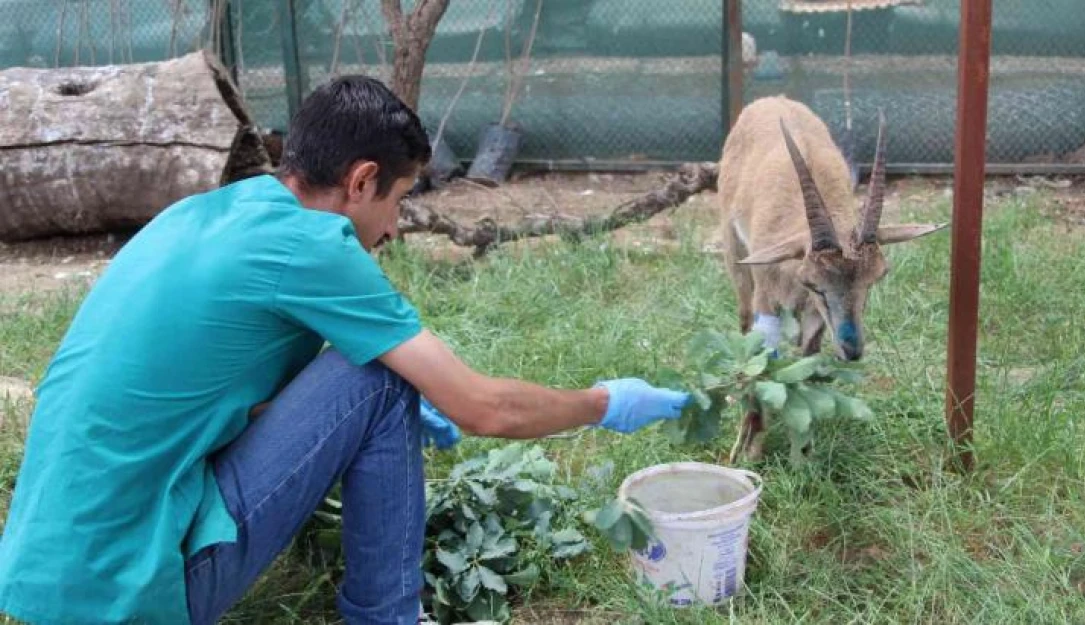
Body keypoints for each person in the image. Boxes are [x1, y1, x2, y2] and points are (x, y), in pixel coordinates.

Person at [0, 75, 690, 625]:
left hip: (51, 569)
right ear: (361, 181)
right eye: (400, 198)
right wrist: (606, 402)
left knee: (372, 385)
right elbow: (484, 408)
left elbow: (222, 396)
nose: (394, 227)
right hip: (132, 588)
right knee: (384, 379)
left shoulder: (210, 212)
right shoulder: (313, 244)